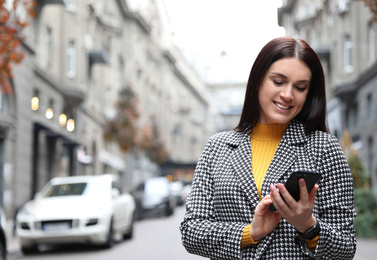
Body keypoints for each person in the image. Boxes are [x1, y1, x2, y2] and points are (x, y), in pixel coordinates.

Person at [179, 37, 356, 259]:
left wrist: (308, 226)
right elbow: (191, 231)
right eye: (278, 82)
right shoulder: (217, 147)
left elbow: (346, 247)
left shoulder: (324, 148)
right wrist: (249, 233)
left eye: (300, 87)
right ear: (258, 80)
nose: (288, 95)